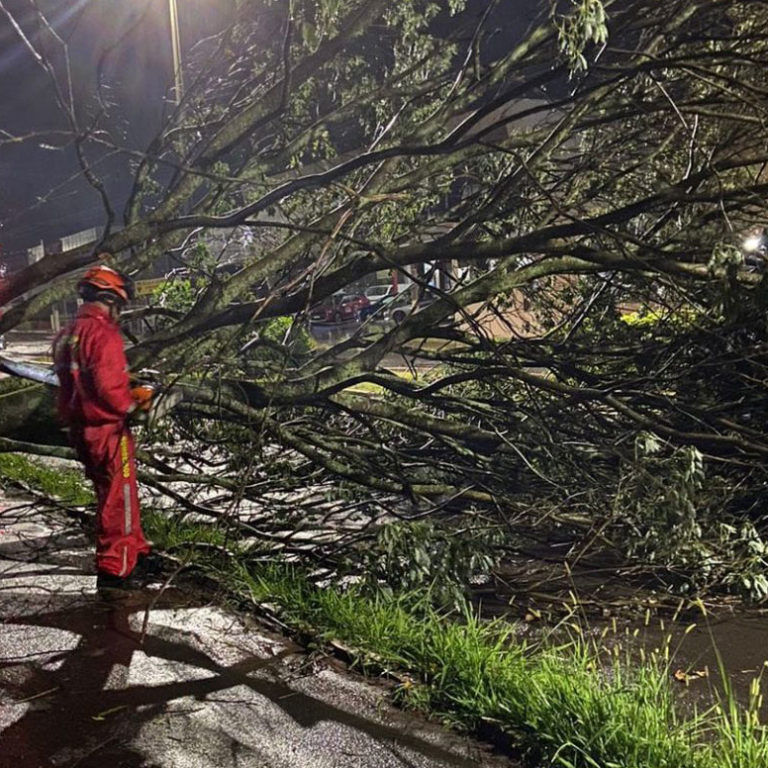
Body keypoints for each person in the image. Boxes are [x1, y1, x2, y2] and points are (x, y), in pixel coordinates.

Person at [53, 262, 155, 595]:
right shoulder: (103, 334)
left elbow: (78, 382)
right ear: (109, 299)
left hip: (82, 430)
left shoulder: (67, 334)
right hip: (109, 430)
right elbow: (110, 388)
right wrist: (135, 403)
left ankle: (136, 552)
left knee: (111, 495)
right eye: (117, 306)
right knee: (119, 501)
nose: (118, 314)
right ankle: (117, 570)